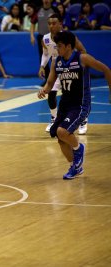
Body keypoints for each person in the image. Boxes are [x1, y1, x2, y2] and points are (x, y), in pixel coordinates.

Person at [38, 31, 111, 180]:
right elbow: (50, 82)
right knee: (60, 137)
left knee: (62, 131)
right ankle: (75, 166)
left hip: (80, 104)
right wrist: (44, 90)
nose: (57, 49)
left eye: (59, 46)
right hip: (65, 103)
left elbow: (106, 70)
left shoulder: (82, 58)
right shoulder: (56, 61)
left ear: (69, 46)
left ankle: (79, 148)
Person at [39, 13, 87, 133]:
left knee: (76, 97)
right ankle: (54, 118)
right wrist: (42, 66)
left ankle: (83, 119)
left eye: (54, 23)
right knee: (51, 95)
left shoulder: (69, 37)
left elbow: (82, 50)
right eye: (49, 23)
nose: (51, 26)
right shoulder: (45, 39)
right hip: (58, 70)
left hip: (71, 70)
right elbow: (46, 54)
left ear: (60, 23)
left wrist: (80, 64)